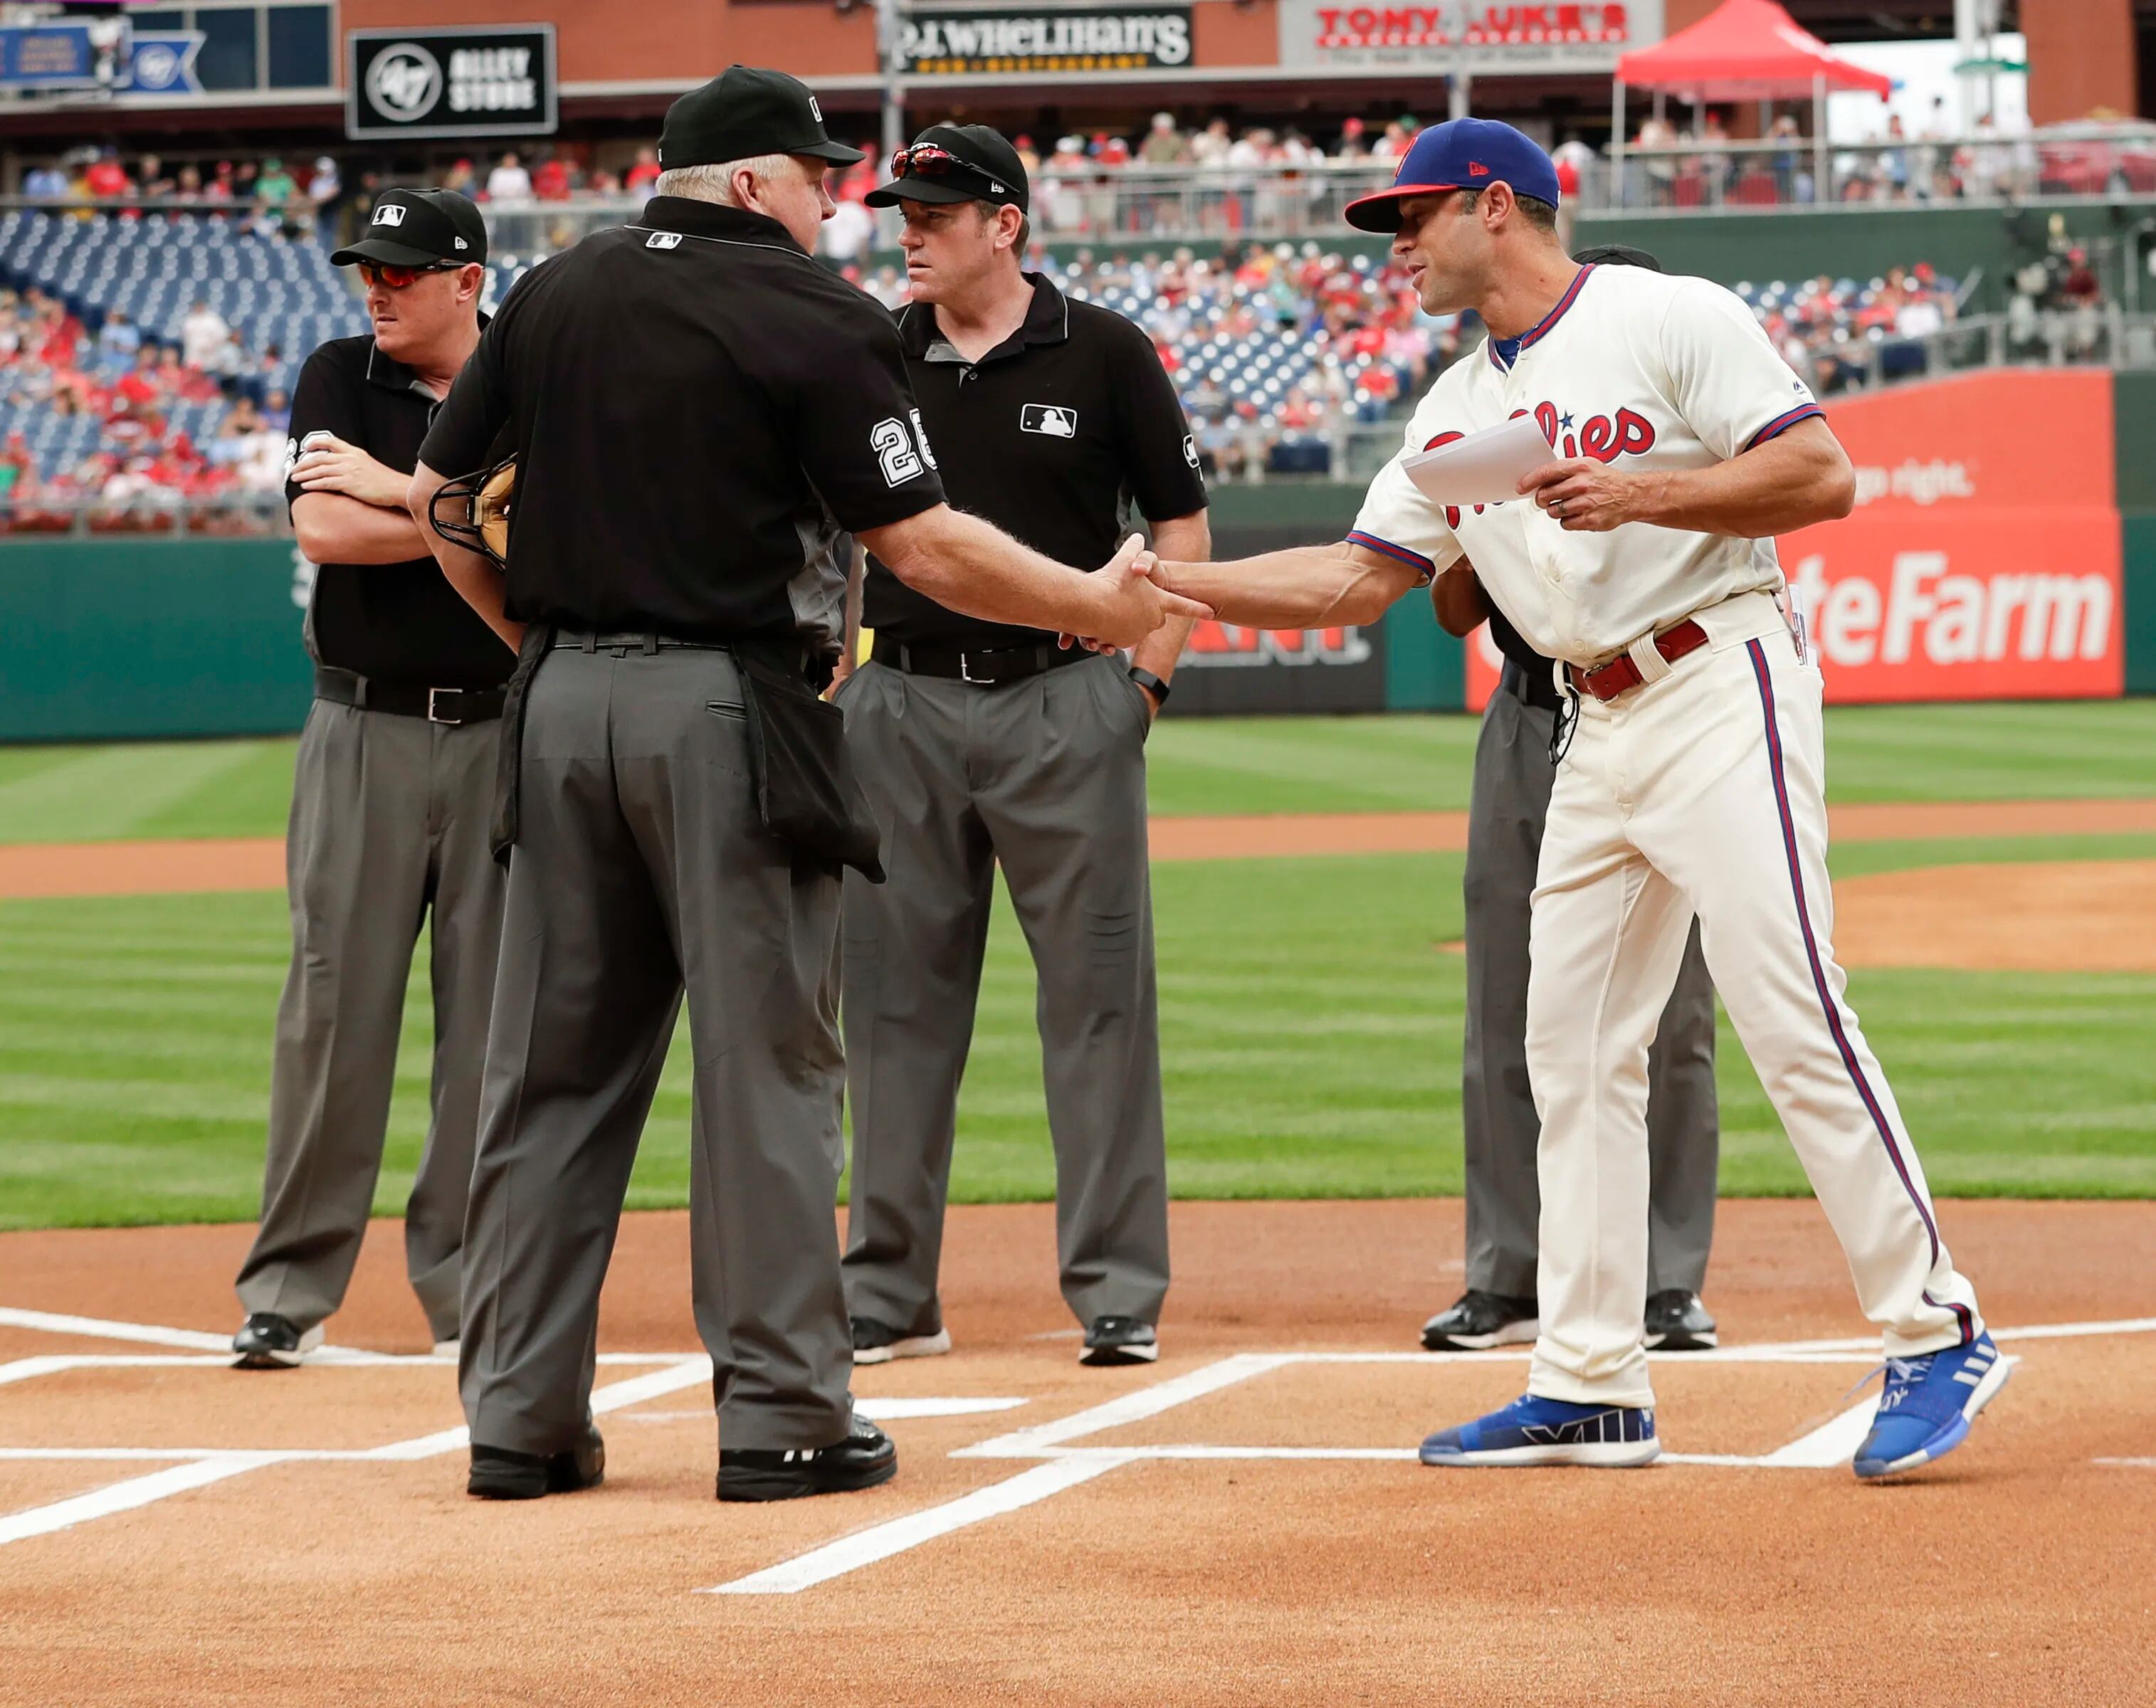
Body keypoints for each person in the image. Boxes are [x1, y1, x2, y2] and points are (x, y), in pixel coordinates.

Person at [1147, 118, 2002, 1480]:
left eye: (1414, 216)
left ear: (1499, 206)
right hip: (1589, 723)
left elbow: (1821, 476)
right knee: (1572, 1052)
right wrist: (1159, 583)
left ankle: (1934, 1325)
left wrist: (1648, 493)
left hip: (1718, 675)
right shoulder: (1449, 410)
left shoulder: (1664, 314)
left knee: (1787, 1005)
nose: (1397, 245)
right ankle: (1592, 1377)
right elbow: (1349, 583)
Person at [408, 66, 1203, 1505]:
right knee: (769, 1064)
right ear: (755, 183)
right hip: (727, 708)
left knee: (553, 1076)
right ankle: (781, 1413)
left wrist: (542, 646)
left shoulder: (557, 291)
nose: (839, 202)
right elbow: (926, 550)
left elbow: (439, 501)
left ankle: (518, 1419)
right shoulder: (816, 314)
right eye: (819, 176)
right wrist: (1094, 597)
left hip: (558, 702)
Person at [841, 127, 1210, 1371]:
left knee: (1099, 1008)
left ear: (1004, 224)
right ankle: (887, 1293)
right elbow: (836, 534)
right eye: (902, 212)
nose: (909, 230)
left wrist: (1145, 683)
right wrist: (844, 684)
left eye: (934, 213)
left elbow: (1181, 519)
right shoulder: (870, 352)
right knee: (892, 1013)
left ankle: (1115, 1291)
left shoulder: (1104, 349)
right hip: (897, 711)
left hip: (1065, 702)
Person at [1421, 239, 1722, 1361]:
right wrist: (1480, 517)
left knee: (1672, 1016)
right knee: (1503, 1000)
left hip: (1660, 708)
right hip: (1532, 713)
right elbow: (1452, 611)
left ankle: (1664, 1279)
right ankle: (1504, 1273)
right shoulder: (1491, 420)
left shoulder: (1666, 432)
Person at [228, 189, 512, 1371]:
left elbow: (553, 527)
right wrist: (470, 508)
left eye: (401, 272)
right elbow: (325, 536)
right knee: (332, 1016)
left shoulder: (530, 372)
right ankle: (288, 1291)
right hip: (362, 729)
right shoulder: (339, 370)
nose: (376, 289)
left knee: (492, 1031)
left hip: (507, 733)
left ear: (465, 279)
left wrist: (396, 491)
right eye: (369, 270)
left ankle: (468, 1290)